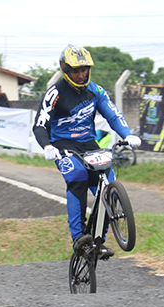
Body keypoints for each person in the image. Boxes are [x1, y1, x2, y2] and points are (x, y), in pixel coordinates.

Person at [32, 44, 140, 257]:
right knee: (78, 175)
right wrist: (47, 146)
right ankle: (79, 238)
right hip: (63, 145)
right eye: (75, 70)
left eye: (84, 69)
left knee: (108, 184)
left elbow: (112, 114)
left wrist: (126, 134)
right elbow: (40, 124)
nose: (81, 75)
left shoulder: (96, 91)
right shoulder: (55, 93)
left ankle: (99, 240)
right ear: (65, 70)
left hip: (89, 144)